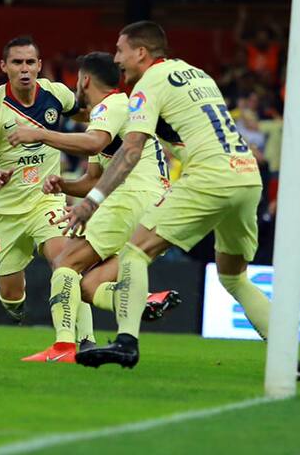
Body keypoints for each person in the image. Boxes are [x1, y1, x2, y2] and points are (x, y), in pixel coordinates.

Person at [69, 22, 267, 369]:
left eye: (120, 50)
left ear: (141, 53)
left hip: (210, 176)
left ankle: (126, 343)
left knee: (133, 252)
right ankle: (289, 354)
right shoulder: (197, 73)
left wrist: (91, 202)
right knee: (234, 276)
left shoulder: (149, 84)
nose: (117, 59)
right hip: (247, 175)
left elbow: (129, 152)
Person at [12, 52, 179, 363]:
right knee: (89, 285)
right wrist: (63, 184)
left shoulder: (111, 105)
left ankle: (63, 348)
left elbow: (94, 143)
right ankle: (142, 302)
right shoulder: (115, 112)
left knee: (64, 261)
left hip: (131, 197)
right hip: (155, 205)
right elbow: (93, 179)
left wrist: (40, 134)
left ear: (85, 80)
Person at [0, 36, 78, 323]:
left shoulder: (56, 93)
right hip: (8, 209)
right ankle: (15, 306)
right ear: (4, 66)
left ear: (39, 65)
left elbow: (86, 113)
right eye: (17, 62)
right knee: (11, 293)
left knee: (64, 262)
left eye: (30, 62)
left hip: (46, 199)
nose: (24, 69)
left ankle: (74, 336)